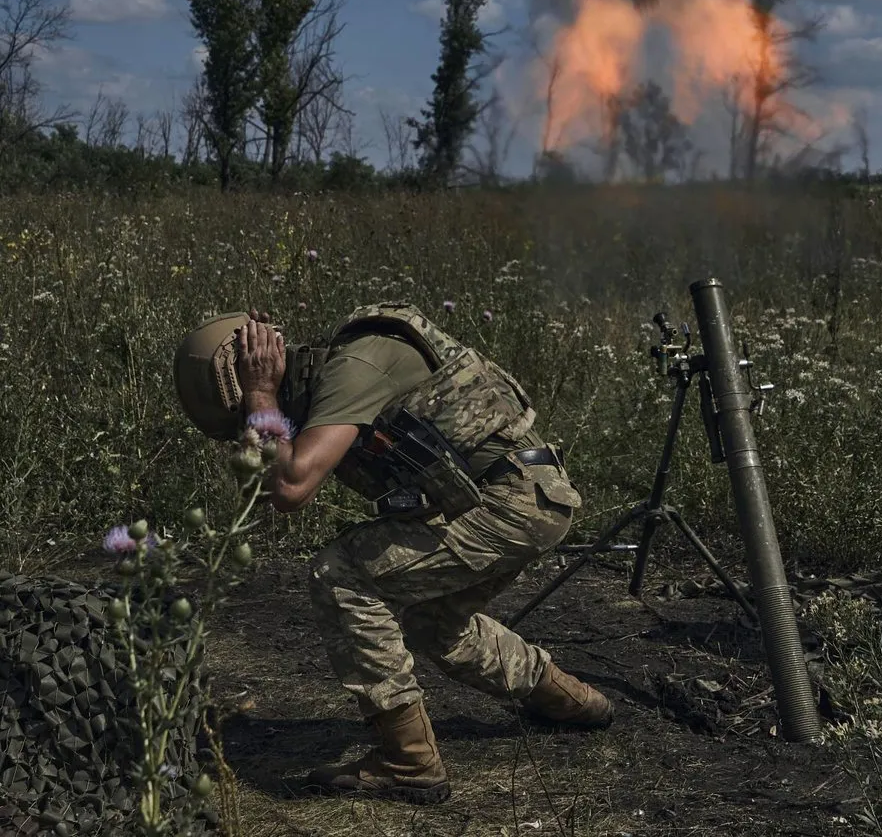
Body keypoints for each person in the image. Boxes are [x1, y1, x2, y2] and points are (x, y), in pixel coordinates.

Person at [173, 302, 614, 805]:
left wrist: (257, 393)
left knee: (341, 571)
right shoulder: (336, 382)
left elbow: (291, 487)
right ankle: (575, 703)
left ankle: (409, 761)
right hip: (517, 501)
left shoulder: (353, 366)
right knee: (435, 626)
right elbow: (275, 482)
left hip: (511, 500)